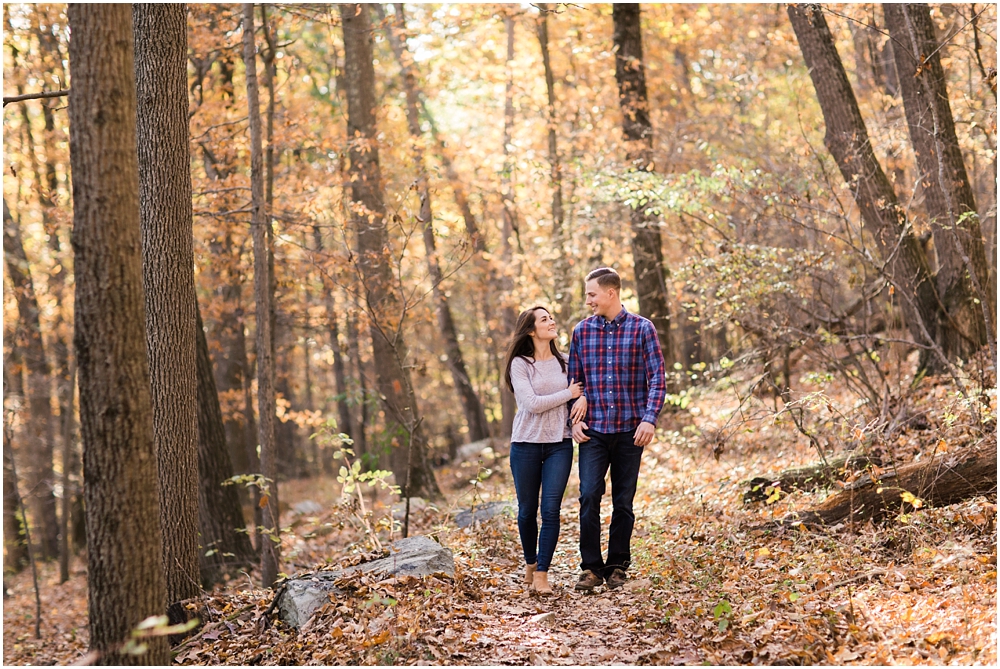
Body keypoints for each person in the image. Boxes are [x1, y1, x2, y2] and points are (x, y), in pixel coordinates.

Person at [568, 267, 666, 591]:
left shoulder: (642, 329)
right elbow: (575, 384)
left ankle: (618, 566)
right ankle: (591, 568)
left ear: (611, 293)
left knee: (624, 501)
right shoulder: (582, 332)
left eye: (592, 294)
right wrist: (576, 417)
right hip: (594, 432)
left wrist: (649, 418)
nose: (588, 301)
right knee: (588, 496)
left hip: (629, 431)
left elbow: (658, 380)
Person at [503, 306, 583, 595]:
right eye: (544, 319)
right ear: (531, 330)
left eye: (551, 317)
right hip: (524, 444)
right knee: (526, 511)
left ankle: (542, 574)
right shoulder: (520, 364)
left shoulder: (565, 361)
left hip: (558, 445)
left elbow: (583, 390)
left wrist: (579, 401)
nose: (552, 322)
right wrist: (568, 394)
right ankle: (530, 561)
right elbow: (531, 404)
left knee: (551, 510)